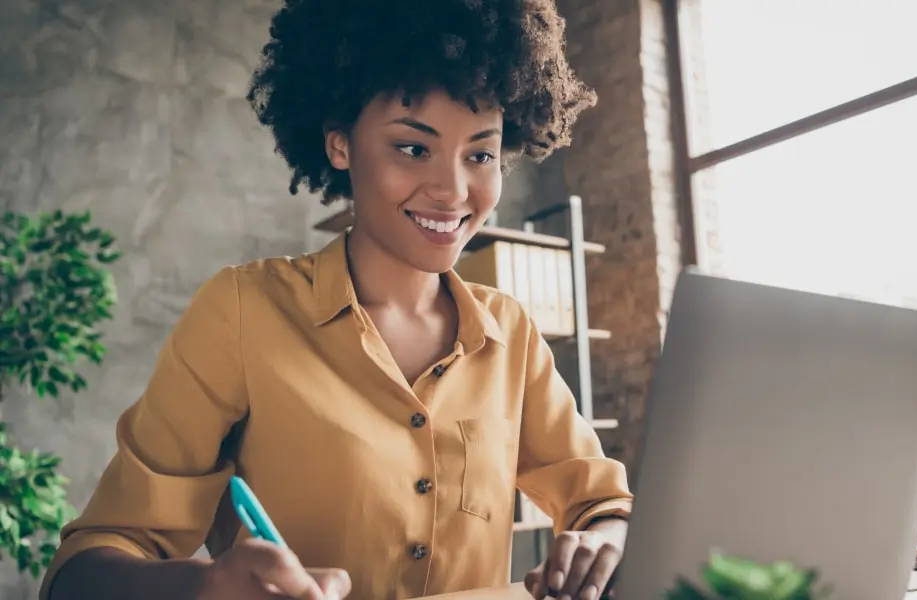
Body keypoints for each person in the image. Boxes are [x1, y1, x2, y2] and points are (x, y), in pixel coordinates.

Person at [39, 1, 634, 599]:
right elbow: (79, 575)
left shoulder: (511, 333)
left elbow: (602, 503)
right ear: (340, 145)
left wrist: (603, 539)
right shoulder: (242, 313)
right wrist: (203, 587)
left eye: (480, 154)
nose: (454, 191)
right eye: (413, 147)